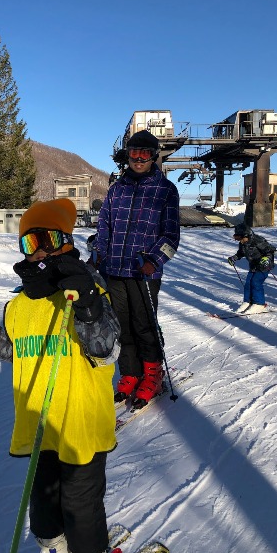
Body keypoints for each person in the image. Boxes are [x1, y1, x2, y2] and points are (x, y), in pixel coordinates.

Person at [0, 198, 121, 553]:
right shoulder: (19, 305)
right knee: (41, 498)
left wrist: (90, 306)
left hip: (80, 423)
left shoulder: (88, 289)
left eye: (46, 238)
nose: (39, 250)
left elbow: (106, 350)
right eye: (29, 243)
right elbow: (18, 353)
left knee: (80, 503)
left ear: (65, 240)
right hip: (37, 422)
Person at [96, 130, 180, 409]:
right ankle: (131, 373)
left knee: (144, 326)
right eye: (134, 153)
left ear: (154, 156)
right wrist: (99, 255)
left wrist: (153, 261)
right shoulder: (116, 189)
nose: (139, 159)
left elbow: (170, 236)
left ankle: (153, 376)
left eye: (145, 153)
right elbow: (104, 227)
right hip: (115, 269)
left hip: (144, 272)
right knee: (121, 326)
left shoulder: (166, 190)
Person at [227, 222, 276, 313]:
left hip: (264, 266)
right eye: (239, 239)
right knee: (248, 283)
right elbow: (241, 253)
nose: (240, 241)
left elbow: (271, 251)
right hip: (253, 266)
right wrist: (234, 257)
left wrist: (266, 259)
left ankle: (259, 304)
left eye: (242, 238)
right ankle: (248, 302)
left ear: (247, 235)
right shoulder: (243, 243)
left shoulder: (258, 240)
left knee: (256, 282)